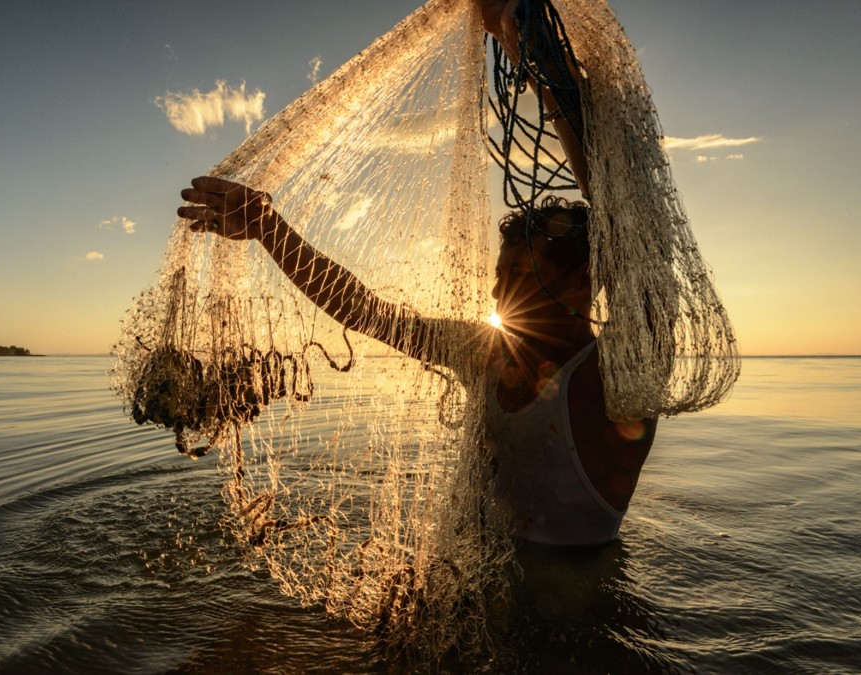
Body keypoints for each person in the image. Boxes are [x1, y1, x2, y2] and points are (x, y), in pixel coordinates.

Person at [176, 0, 656, 547]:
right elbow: (366, 312)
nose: (501, 291)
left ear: (583, 280)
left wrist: (530, 50)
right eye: (501, 276)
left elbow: (630, 237)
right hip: (472, 605)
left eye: (523, 273)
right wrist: (267, 227)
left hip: (571, 622)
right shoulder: (484, 354)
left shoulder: (612, 384)